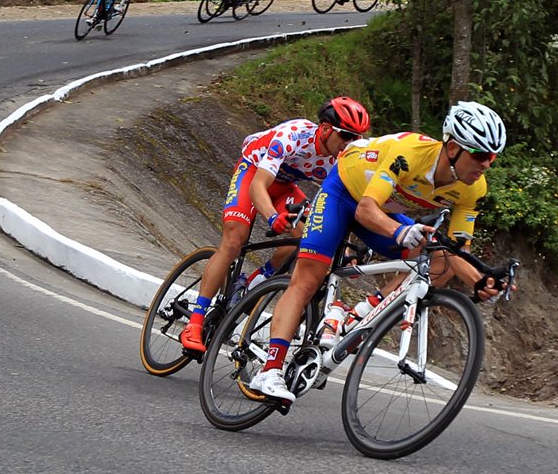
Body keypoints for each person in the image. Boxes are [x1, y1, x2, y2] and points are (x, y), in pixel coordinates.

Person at [248, 101, 508, 403]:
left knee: (439, 259)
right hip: (344, 193)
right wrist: (400, 232)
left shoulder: (473, 188)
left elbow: (457, 252)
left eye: (492, 157)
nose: (487, 163)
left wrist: (480, 281)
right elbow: (366, 209)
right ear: (452, 149)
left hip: (379, 207)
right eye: (480, 155)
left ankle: (357, 313)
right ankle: (269, 370)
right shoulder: (410, 154)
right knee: (308, 279)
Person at [178, 97, 372, 354]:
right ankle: (195, 322)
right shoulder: (293, 136)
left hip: (285, 186)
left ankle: (255, 283)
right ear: (325, 128)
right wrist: (271, 217)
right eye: (346, 135)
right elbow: (258, 186)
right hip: (254, 173)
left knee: (307, 235)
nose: (350, 143)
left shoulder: (342, 160)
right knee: (235, 240)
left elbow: (336, 207)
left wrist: (347, 252)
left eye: (356, 138)